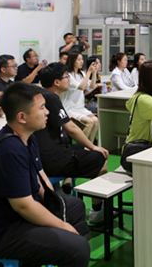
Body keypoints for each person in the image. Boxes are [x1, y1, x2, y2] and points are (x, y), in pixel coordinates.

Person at [0, 82, 90, 267]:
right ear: (22, 117)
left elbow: (40, 177)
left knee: (74, 206)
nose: (47, 112)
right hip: (1, 231)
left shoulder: (27, 137)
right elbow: (23, 206)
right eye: (42, 108)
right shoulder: (10, 149)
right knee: (78, 248)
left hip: (18, 216)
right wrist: (61, 225)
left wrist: (53, 203)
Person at [36, 63, 108, 223]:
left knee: (84, 149)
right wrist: (93, 146)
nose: (69, 80)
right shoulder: (51, 98)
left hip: (44, 155)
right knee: (101, 156)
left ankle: (68, 181)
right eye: (66, 77)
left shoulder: (40, 96)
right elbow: (71, 129)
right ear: (56, 82)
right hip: (53, 159)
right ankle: (97, 211)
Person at [61, 52, 100, 142]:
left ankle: (90, 146)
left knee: (96, 120)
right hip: (70, 108)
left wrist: (94, 72)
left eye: (82, 59)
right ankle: (83, 146)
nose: (81, 61)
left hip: (80, 107)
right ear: (72, 61)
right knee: (90, 122)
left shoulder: (82, 73)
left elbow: (91, 86)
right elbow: (81, 87)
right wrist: (89, 72)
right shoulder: (68, 76)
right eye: (79, 59)